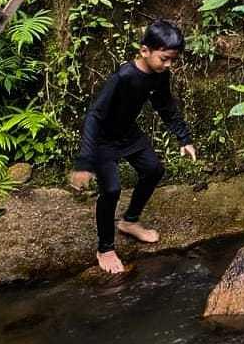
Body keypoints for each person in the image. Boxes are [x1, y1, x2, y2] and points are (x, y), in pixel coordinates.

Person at [69, 20, 197, 274]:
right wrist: (85, 161)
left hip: (128, 134)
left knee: (154, 170)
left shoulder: (160, 75)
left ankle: (129, 222)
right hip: (103, 139)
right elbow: (94, 115)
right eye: (165, 59)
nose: (169, 65)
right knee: (111, 190)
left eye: (172, 60)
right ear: (144, 51)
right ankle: (105, 248)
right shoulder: (123, 77)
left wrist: (184, 138)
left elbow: (165, 106)